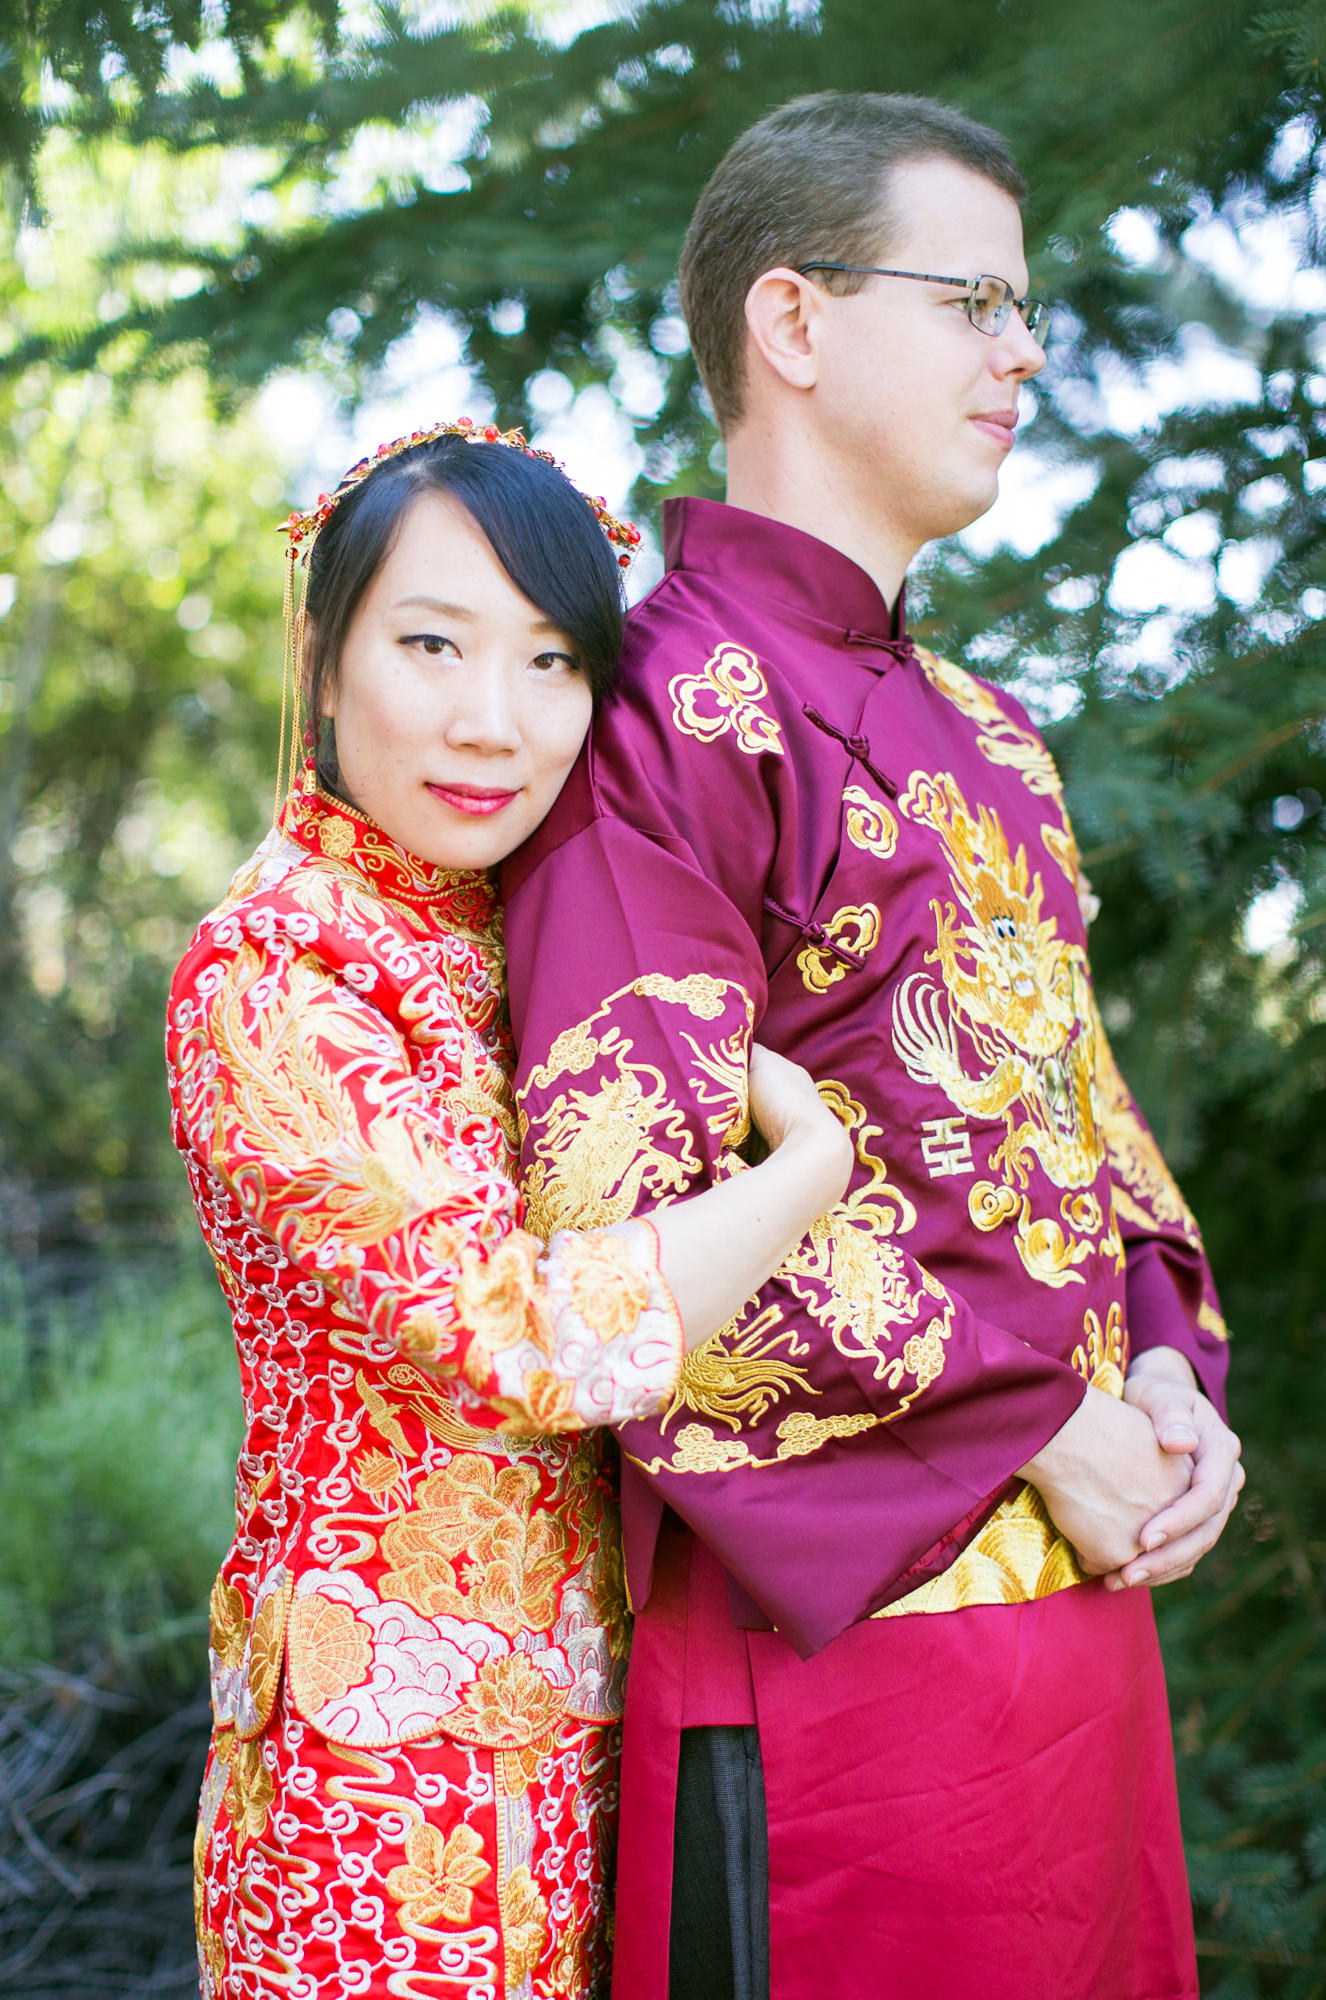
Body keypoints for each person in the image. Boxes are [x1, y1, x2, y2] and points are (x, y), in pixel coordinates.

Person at [502, 95, 1243, 2000]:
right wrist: (1036, 1423)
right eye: (974, 300)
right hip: (837, 1659)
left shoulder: (993, 735)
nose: (1025, 353)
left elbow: (1083, 1124)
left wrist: (1167, 1388)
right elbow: (625, 1208)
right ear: (795, 322)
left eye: (1028, 308)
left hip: (1085, 1626)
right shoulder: (660, 709)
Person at [165, 421, 852, 1998]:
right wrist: (808, 1172)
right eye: (430, 645)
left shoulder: (526, 935)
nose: (495, 721)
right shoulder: (279, 969)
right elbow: (515, 1340)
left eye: (553, 662)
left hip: (586, 1740)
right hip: (373, 1777)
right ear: (323, 660)